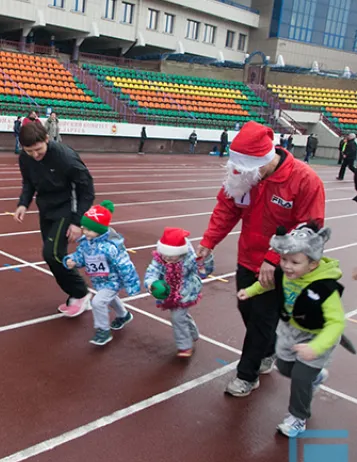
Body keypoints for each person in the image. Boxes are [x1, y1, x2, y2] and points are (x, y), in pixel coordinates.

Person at [196, 121, 325, 397]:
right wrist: (209, 242)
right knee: (247, 309)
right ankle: (268, 348)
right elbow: (227, 208)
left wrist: (273, 257)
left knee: (261, 320)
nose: (241, 173)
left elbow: (309, 228)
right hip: (247, 257)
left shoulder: (304, 180)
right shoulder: (244, 175)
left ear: (265, 161)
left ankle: (247, 375)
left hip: (282, 266)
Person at [237, 223, 344, 437]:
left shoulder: (324, 288)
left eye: (295, 262)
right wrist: (249, 291)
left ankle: (298, 417)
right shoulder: (286, 274)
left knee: (300, 378)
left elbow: (336, 323)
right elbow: (268, 284)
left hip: (317, 336)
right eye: (284, 259)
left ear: (313, 264)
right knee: (285, 368)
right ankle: (316, 376)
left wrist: (316, 347)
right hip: (291, 331)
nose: (287, 266)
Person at [15, 121, 95, 317]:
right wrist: (23, 203)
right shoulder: (25, 159)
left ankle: (81, 294)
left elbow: (86, 190)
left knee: (52, 254)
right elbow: (29, 183)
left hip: (67, 208)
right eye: (29, 151)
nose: (35, 155)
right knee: (54, 256)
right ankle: (76, 294)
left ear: (47, 139)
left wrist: (77, 222)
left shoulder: (65, 157)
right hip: (46, 209)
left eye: (38, 149)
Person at [63, 200, 140, 346]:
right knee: (109, 298)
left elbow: (124, 264)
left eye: (89, 230)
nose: (85, 232)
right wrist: (72, 260)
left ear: (100, 229)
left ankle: (103, 330)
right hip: (99, 279)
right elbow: (81, 255)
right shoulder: (87, 242)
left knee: (98, 302)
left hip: (112, 280)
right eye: (84, 228)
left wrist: (132, 284)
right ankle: (123, 315)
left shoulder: (109, 247)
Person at [145, 227, 203, 357]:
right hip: (168, 292)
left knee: (177, 317)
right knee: (181, 316)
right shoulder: (160, 258)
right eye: (165, 256)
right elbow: (152, 271)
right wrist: (151, 284)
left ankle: (184, 346)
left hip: (185, 292)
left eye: (171, 257)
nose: (167, 259)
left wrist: (206, 259)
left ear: (181, 253)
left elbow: (203, 270)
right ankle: (193, 332)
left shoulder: (189, 259)